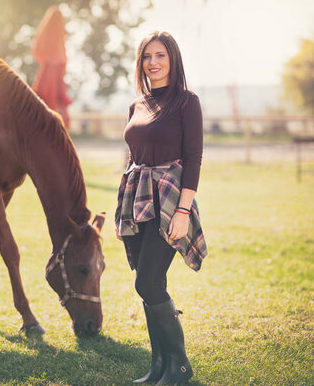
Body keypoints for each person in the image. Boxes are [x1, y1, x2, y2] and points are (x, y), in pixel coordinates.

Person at [114, 31, 208, 385]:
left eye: (160, 56)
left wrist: (182, 213)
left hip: (168, 202)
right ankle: (159, 366)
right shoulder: (136, 105)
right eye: (146, 57)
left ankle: (180, 366)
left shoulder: (186, 102)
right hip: (136, 201)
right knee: (148, 282)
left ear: (173, 60)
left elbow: (194, 159)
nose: (153, 63)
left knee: (148, 281)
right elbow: (132, 155)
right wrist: (123, 204)